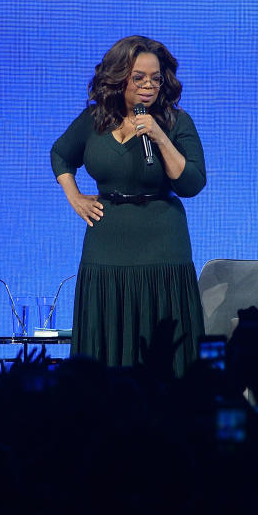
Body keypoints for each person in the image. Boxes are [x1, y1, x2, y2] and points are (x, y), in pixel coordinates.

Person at [50, 35, 206, 375]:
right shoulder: (94, 120)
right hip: (106, 245)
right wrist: (74, 196)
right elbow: (61, 154)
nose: (149, 86)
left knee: (162, 347)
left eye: (155, 78)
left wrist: (160, 136)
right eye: (139, 78)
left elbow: (191, 183)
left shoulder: (177, 122)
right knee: (106, 341)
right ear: (119, 78)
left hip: (161, 247)